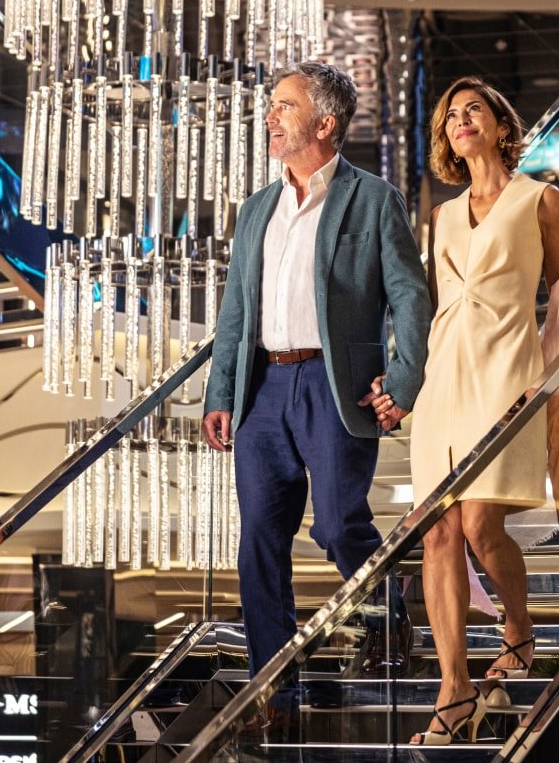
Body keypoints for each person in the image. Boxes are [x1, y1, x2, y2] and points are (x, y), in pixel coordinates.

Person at [368, 77, 559, 745]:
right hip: (442, 379)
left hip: (504, 372)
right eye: (450, 115)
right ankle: (452, 689)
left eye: (472, 110)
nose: (460, 121)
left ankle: (517, 629)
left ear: (498, 124)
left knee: (482, 524)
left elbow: (558, 284)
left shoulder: (538, 197)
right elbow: (428, 306)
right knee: (436, 533)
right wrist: (401, 380)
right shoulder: (443, 213)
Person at [202, 61, 432, 685]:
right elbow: (234, 313)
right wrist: (219, 392)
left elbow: (410, 297)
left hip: (335, 387)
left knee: (336, 525)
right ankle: (272, 681)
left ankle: (390, 611)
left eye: (284, 106)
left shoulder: (374, 199)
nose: (270, 116)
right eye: (271, 106)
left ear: (325, 123)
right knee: (259, 542)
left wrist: (405, 380)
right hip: (262, 392)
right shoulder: (255, 211)